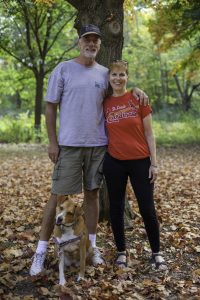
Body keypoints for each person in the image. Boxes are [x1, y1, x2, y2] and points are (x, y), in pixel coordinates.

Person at [30, 24, 149, 276]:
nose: (91, 44)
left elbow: (120, 91)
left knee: (93, 194)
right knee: (57, 197)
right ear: (79, 41)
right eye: (87, 39)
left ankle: (92, 247)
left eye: (96, 40)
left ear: (99, 44)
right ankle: (40, 252)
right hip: (69, 146)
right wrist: (52, 142)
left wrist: (137, 90)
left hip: (98, 145)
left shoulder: (105, 73)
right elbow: (50, 107)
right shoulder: (63, 69)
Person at [103, 60, 167, 270]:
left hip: (140, 161)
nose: (118, 78)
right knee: (116, 208)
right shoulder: (104, 102)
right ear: (109, 77)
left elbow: (150, 134)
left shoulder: (139, 99)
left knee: (147, 208)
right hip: (114, 162)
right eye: (114, 74)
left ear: (127, 78)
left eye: (122, 75)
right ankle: (121, 251)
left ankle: (156, 253)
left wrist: (154, 164)